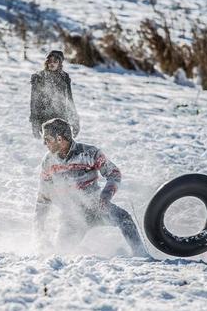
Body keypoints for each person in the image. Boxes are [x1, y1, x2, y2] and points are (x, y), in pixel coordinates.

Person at [34, 118, 147, 257]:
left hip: (96, 207)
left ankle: (142, 255)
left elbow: (114, 174)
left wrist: (105, 198)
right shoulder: (48, 161)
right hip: (72, 218)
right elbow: (43, 195)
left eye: (47, 139)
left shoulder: (90, 153)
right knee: (60, 255)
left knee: (125, 219)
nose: (44, 143)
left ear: (59, 139)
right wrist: (39, 226)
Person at [29, 50, 80, 139]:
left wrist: (75, 121)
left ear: (60, 63)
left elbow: (70, 100)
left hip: (61, 117)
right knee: (52, 145)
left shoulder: (64, 77)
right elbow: (34, 101)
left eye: (55, 61)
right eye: (50, 61)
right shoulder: (39, 77)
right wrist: (35, 123)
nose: (51, 64)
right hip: (44, 118)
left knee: (63, 145)